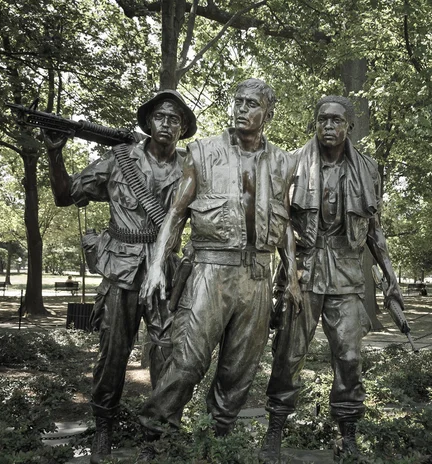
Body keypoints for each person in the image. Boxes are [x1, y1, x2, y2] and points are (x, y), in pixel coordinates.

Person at [138, 78, 301, 449]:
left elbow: (285, 223)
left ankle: (216, 441)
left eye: (251, 104)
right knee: (187, 360)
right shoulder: (203, 152)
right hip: (210, 270)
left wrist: (291, 275)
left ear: (268, 114)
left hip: (257, 275)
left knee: (239, 370)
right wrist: (156, 266)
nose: (242, 109)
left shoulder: (283, 162)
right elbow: (176, 214)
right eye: (238, 102)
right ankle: (156, 435)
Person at [42, 90, 196, 464]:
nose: (166, 124)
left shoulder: (191, 169)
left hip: (165, 274)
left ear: (182, 129)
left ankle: (158, 434)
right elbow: (65, 195)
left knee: (167, 354)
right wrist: (54, 152)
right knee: (113, 353)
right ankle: (104, 430)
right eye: (160, 116)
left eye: (174, 119)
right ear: (148, 122)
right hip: (120, 269)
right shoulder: (119, 159)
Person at [259, 95, 405, 463]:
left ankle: (348, 433)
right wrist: (289, 273)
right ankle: (275, 428)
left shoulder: (368, 169)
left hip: (347, 272)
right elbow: (282, 226)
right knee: (288, 354)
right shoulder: (292, 163)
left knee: (350, 357)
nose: (328, 126)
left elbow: (374, 229)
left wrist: (391, 280)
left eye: (336, 120)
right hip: (304, 270)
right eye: (322, 119)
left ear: (348, 127)